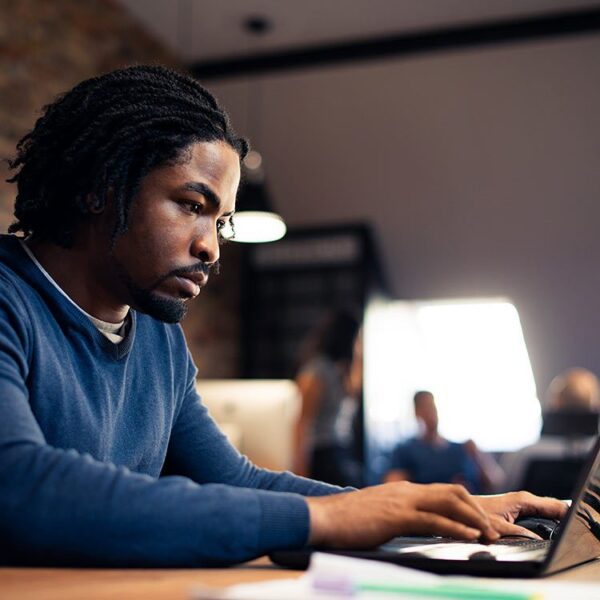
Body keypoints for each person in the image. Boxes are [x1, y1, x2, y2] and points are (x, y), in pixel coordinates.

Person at [0, 65, 566, 567]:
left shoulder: (158, 339)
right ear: (102, 189)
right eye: (193, 206)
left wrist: (430, 510)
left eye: (220, 222)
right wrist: (327, 519)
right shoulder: (11, 298)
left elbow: (235, 480)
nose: (212, 249)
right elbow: (18, 486)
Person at [292, 309, 362, 487]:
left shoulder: (340, 370)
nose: (359, 344)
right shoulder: (317, 371)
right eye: (357, 338)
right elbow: (302, 423)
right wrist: (300, 473)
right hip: (322, 453)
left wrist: (358, 359)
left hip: (341, 449)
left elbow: (353, 391)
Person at [384, 391, 504, 493]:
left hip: (474, 506)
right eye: (424, 407)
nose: (431, 412)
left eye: (432, 406)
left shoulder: (461, 448)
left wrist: (478, 456)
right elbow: (392, 490)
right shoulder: (405, 450)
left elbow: (496, 483)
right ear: (416, 413)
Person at [503, 368, 600, 491]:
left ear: (555, 403)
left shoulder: (525, 456)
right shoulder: (596, 458)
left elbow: (506, 494)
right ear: (595, 405)